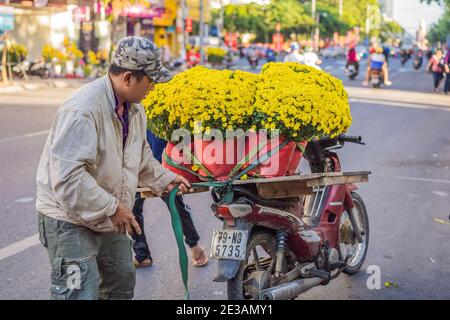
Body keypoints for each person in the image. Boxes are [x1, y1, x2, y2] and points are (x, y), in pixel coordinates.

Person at [36, 36, 192, 300]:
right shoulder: (83, 110)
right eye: (150, 80)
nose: (153, 87)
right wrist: (112, 207)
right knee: (77, 294)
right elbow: (68, 178)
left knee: (120, 285)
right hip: (69, 218)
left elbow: (140, 157)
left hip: (110, 215)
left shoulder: (134, 109)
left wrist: (166, 180)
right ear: (128, 78)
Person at [132, 130, 209, 268]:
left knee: (176, 205)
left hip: (162, 165)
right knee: (131, 208)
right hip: (139, 167)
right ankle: (141, 254)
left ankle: (194, 245)